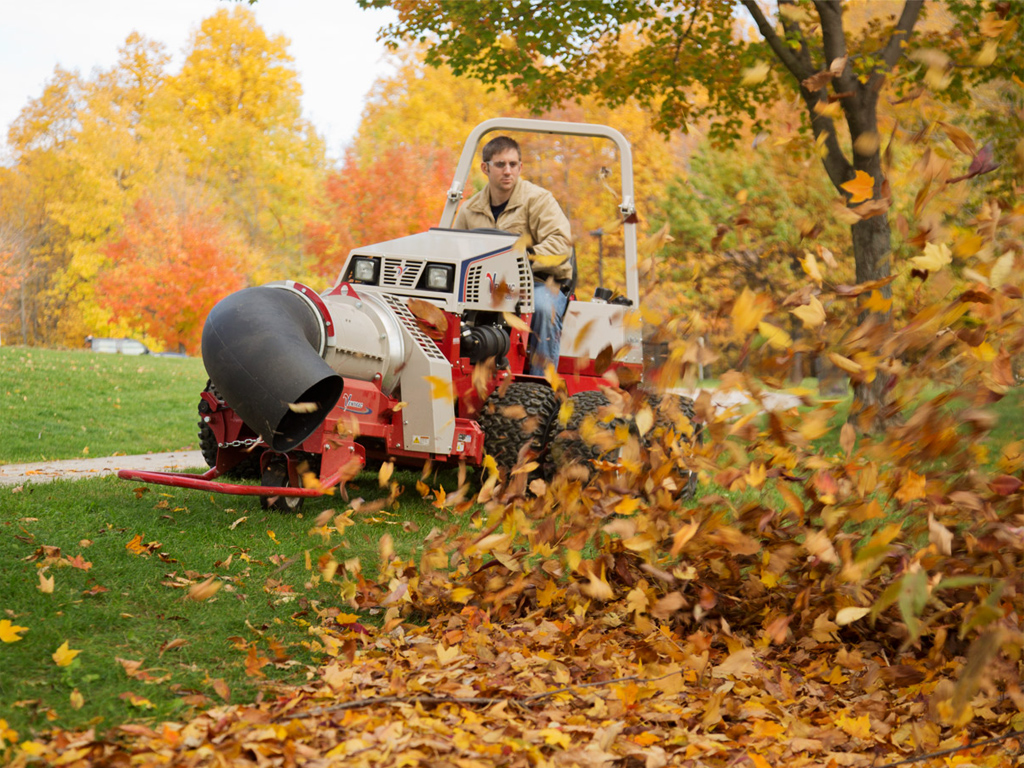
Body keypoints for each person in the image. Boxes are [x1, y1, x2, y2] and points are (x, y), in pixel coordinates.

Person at [453, 136, 574, 376]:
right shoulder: (469, 209)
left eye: (513, 164)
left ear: (520, 167)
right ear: (485, 168)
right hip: (484, 286)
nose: (507, 171)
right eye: (500, 164)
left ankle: (541, 389)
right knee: (447, 308)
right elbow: (454, 249)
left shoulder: (538, 200)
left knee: (541, 308)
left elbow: (561, 245)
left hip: (538, 283)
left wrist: (523, 259)